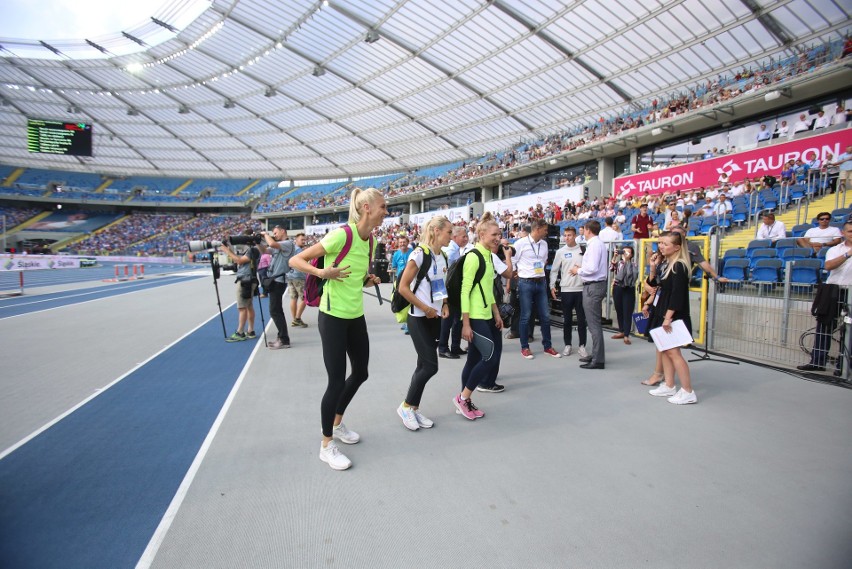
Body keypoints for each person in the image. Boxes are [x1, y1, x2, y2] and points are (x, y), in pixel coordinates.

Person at [288, 187, 386, 471]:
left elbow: (354, 278)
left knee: (361, 372)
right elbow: (297, 260)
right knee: (335, 380)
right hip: (332, 316)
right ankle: (326, 444)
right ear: (367, 207)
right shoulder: (342, 234)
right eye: (382, 206)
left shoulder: (371, 241)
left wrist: (366, 281)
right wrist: (322, 273)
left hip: (355, 315)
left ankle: (337, 422)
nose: (386, 211)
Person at [396, 216, 452, 431]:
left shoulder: (442, 256)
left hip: (434, 317)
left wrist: (444, 303)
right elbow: (403, 287)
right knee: (430, 366)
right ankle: (406, 405)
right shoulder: (419, 254)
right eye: (448, 232)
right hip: (419, 318)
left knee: (422, 364)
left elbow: (440, 284)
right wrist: (425, 308)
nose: (450, 236)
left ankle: (413, 407)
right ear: (436, 231)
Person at [454, 213, 505, 420]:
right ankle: (462, 397)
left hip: (486, 314)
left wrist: (496, 313)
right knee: (490, 357)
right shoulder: (474, 257)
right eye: (494, 234)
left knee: (474, 359)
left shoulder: (489, 256)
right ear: (482, 234)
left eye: (499, 234)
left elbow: (488, 288)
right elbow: (465, 291)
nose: (497, 238)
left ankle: (464, 399)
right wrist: (465, 324)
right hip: (474, 316)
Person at [644, 232, 696, 404]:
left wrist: (668, 318)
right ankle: (669, 384)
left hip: (672, 314)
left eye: (665, 244)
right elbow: (654, 286)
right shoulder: (665, 263)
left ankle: (688, 391)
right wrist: (653, 267)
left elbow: (677, 295)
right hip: (663, 310)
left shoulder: (679, 266)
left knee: (674, 352)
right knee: (665, 349)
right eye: (660, 243)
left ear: (677, 247)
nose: (661, 246)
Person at [797, 222, 852, 375]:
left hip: (851, 292)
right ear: (843, 233)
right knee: (824, 327)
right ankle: (817, 361)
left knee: (849, 331)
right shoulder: (835, 250)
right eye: (850, 231)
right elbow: (829, 266)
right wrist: (848, 254)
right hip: (833, 290)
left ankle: (844, 365)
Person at [513, 218, 561, 359]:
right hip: (526, 282)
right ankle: (524, 347)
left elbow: (544, 260)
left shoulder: (544, 244)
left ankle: (548, 346)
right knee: (526, 316)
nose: (547, 232)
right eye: (545, 230)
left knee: (545, 316)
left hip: (541, 282)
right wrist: (518, 275)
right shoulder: (520, 243)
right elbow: (513, 261)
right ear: (537, 229)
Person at [570, 220, 607, 370]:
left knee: (593, 325)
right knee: (594, 323)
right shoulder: (597, 244)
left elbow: (591, 268)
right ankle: (597, 354)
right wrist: (582, 268)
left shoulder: (594, 245)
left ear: (588, 230)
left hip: (593, 286)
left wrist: (577, 271)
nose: (582, 233)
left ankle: (598, 359)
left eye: (584, 230)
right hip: (595, 285)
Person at [550, 227, 588, 358]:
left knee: (582, 320)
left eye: (570, 235)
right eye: (565, 235)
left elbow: (590, 267)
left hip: (581, 290)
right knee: (567, 320)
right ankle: (568, 345)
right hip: (566, 290)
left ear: (575, 236)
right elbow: (554, 270)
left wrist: (581, 268)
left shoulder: (583, 250)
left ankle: (582, 346)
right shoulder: (560, 252)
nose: (567, 238)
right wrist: (552, 285)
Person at [219, 239, 263, 341]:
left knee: (242, 308)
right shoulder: (253, 250)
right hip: (249, 280)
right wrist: (229, 247)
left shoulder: (252, 251)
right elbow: (238, 259)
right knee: (248, 306)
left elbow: (239, 261)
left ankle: (240, 332)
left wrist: (226, 250)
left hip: (245, 281)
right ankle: (250, 330)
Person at [438, 226, 470, 358]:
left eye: (466, 236)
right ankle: (443, 348)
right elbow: (446, 275)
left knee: (458, 319)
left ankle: (455, 346)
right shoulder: (451, 252)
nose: (466, 239)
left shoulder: (456, 250)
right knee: (448, 321)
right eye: (463, 236)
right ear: (454, 237)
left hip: (455, 289)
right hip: (449, 291)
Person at [263, 226, 295, 349]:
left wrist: (265, 234)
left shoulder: (287, 243)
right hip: (274, 280)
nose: (274, 235)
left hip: (278, 281)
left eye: (275, 233)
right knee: (277, 310)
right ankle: (281, 337)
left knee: (275, 311)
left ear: (283, 231)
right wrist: (257, 242)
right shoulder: (279, 245)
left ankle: (284, 339)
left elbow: (271, 243)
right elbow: (264, 250)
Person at [610, 245, 638, 345]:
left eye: (628, 252)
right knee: (619, 310)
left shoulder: (633, 264)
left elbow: (633, 275)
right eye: (624, 251)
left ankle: (626, 334)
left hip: (628, 289)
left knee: (627, 311)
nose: (625, 253)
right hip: (618, 288)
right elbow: (611, 268)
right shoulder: (618, 263)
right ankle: (621, 331)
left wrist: (626, 260)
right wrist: (614, 256)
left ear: (631, 255)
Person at [287, 233, 309, 327]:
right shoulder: (299, 250)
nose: (304, 241)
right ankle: (297, 318)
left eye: (304, 240)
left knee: (293, 298)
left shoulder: (291, 249)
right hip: (299, 277)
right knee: (305, 298)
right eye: (302, 240)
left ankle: (294, 319)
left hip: (290, 275)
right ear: (296, 240)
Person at [392, 236, 412, 335]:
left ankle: (409, 324)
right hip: (400, 281)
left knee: (409, 302)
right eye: (400, 242)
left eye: (404, 242)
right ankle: (405, 321)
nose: (402, 244)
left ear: (408, 242)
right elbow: (394, 267)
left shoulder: (412, 252)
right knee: (401, 301)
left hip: (410, 280)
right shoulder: (396, 254)